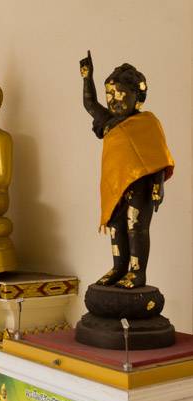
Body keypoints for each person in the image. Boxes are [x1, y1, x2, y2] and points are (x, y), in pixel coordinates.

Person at [79, 51, 174, 288]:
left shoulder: (148, 123)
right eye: (110, 94)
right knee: (116, 228)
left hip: (139, 185)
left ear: (137, 96)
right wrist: (87, 77)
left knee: (136, 228)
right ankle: (118, 267)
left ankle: (137, 271)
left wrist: (158, 186)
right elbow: (90, 104)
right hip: (115, 187)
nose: (114, 99)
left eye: (121, 93)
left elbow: (157, 157)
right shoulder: (109, 121)